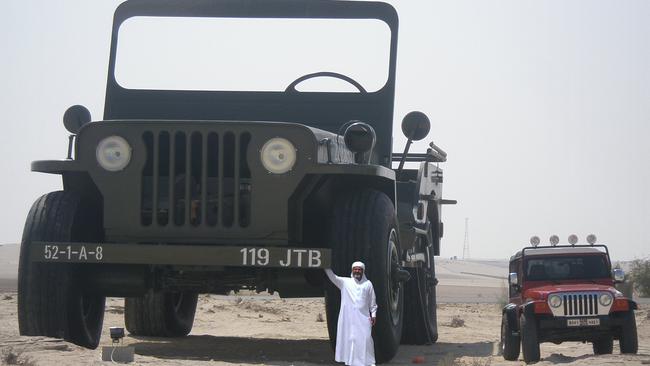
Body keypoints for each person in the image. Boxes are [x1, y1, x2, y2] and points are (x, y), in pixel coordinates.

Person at [325, 261, 377, 366]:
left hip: (364, 318)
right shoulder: (345, 282)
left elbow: (373, 302)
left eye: (359, 269)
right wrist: (325, 266)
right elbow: (333, 277)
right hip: (348, 318)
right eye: (355, 269)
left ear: (363, 271)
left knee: (366, 339)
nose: (357, 271)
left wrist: (374, 315)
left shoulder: (368, 284)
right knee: (351, 339)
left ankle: (369, 362)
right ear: (352, 270)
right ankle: (351, 362)